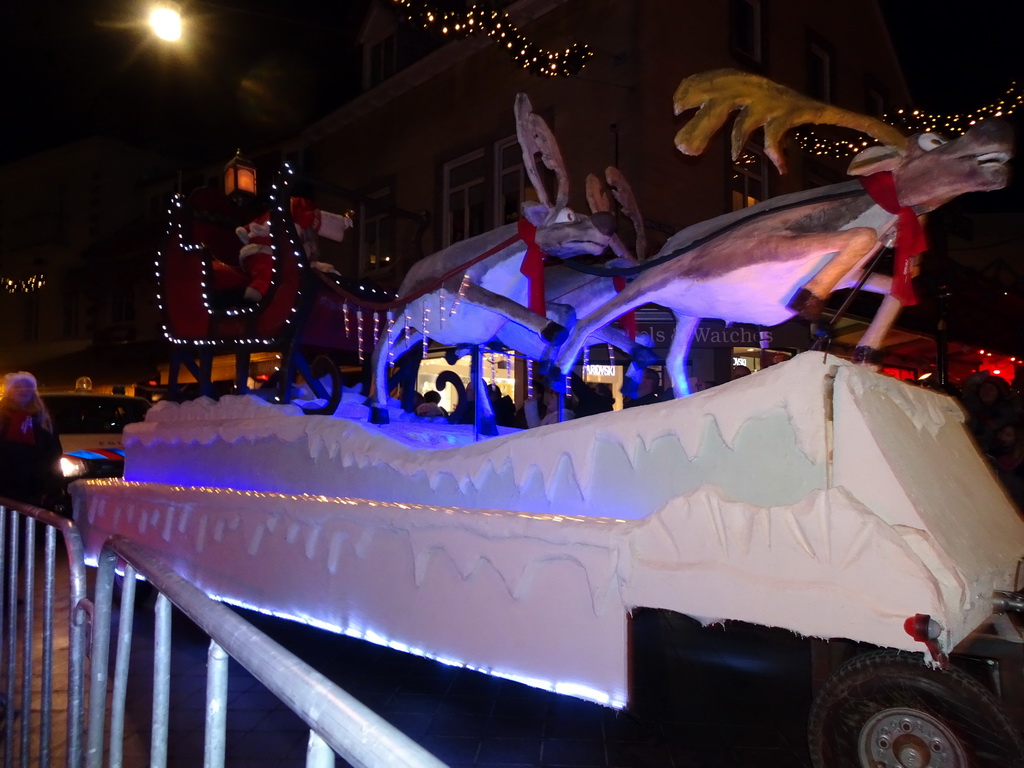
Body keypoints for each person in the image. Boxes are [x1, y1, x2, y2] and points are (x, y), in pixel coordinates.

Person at [0, 372, 63, 509]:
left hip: (34, 488)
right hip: (5, 486)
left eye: (28, 387)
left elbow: (53, 454)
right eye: (17, 387)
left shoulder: (43, 419)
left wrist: (54, 487)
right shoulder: (2, 418)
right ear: (9, 391)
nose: (23, 390)